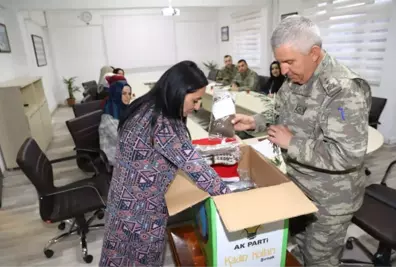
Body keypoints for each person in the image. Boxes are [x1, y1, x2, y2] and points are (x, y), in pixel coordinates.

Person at [231, 15, 371, 267]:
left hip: (329, 202)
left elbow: (348, 154)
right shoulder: (296, 76)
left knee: (319, 261)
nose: (283, 70)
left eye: (288, 62)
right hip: (297, 187)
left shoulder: (343, 89)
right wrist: (255, 122)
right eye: (280, 62)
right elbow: (281, 111)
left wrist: (292, 143)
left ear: (314, 53)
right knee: (297, 253)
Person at [99, 60, 230, 267]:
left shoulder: (146, 105)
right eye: (195, 100)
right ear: (179, 92)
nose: (197, 107)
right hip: (140, 217)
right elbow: (197, 170)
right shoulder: (163, 122)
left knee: (118, 259)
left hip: (121, 205)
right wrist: (233, 198)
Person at [99, 79, 131, 166]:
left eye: (129, 94)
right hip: (113, 155)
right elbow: (122, 139)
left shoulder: (123, 109)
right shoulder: (108, 116)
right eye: (123, 94)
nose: (128, 97)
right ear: (116, 94)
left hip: (125, 150)